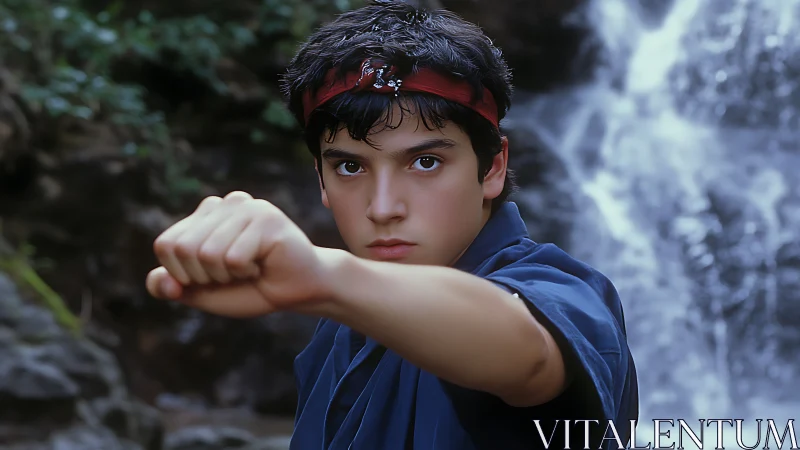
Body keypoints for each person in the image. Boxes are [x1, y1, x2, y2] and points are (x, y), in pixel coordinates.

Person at [145, 1, 639, 449]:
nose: (382, 208)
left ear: (491, 167)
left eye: (425, 162)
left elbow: (529, 353)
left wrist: (327, 278)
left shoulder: (567, 293)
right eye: (350, 167)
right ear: (320, 177)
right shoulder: (338, 328)